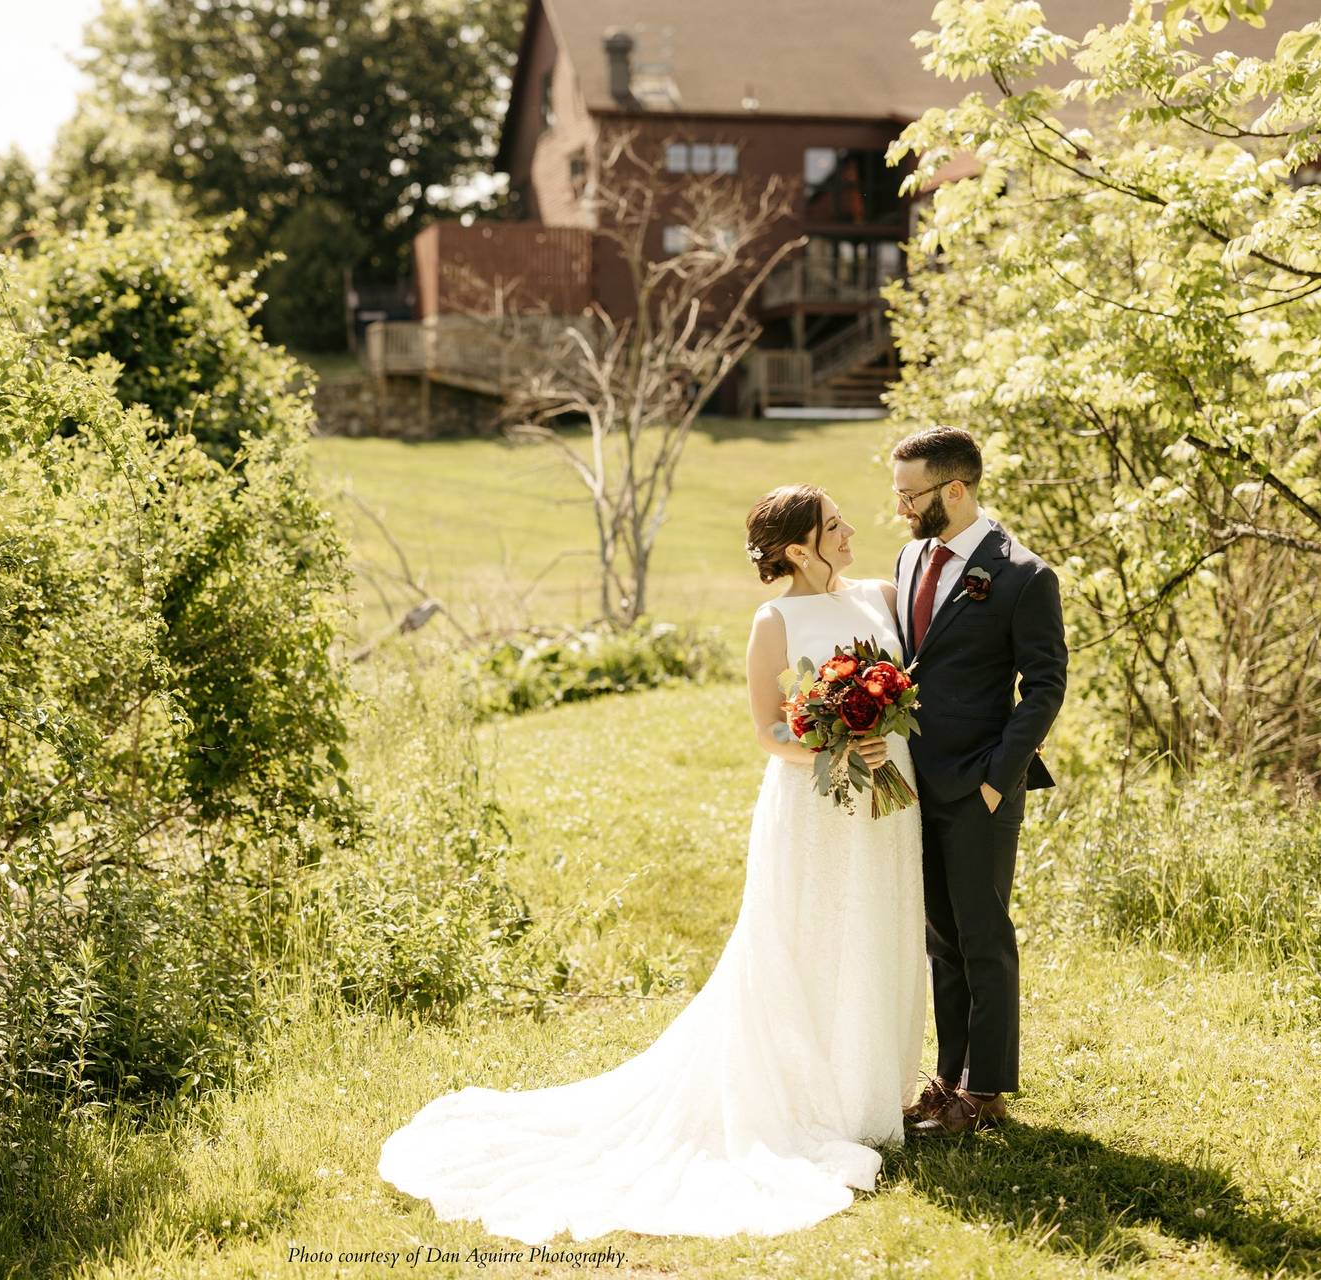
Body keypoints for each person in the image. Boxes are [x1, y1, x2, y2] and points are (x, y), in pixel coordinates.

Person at [377, 484, 925, 1244]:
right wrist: (837, 744)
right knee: (809, 938)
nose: (849, 529)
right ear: (798, 549)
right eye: (832, 526)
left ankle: (875, 1090)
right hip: (815, 804)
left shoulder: (881, 595)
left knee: (880, 927)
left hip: (888, 803)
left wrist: (882, 728)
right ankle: (819, 1100)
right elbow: (769, 732)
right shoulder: (774, 621)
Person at [888, 427, 1067, 1137]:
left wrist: (1000, 779)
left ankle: (986, 1093)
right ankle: (949, 1078)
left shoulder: (1024, 575)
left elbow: (1046, 685)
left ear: (955, 490)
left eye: (912, 494)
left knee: (983, 937)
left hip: (981, 786)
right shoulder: (909, 559)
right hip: (915, 782)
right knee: (941, 939)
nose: (901, 507)